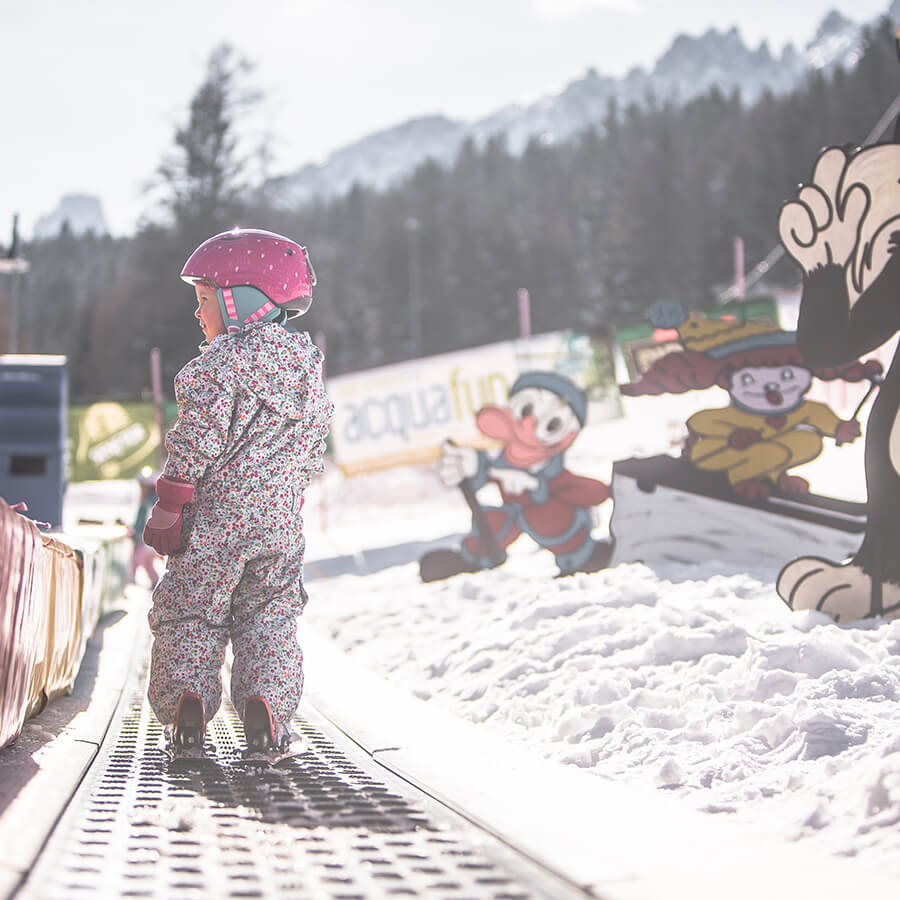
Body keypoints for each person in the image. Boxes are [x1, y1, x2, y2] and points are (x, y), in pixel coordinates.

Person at [142, 228, 333, 760]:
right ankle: (265, 709)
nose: (197, 312)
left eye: (204, 299)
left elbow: (195, 441)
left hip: (214, 523)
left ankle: (186, 706)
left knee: (192, 611)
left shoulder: (217, 367)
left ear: (240, 301)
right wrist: (288, 490)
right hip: (278, 524)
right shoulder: (305, 367)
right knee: (269, 614)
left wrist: (170, 502)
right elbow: (313, 442)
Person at [130, 466, 162, 588]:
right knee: (149, 565)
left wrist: (135, 532)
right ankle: (156, 585)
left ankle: (130, 584)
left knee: (135, 562)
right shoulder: (156, 501)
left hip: (146, 541)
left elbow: (142, 523)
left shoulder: (147, 502)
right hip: (153, 541)